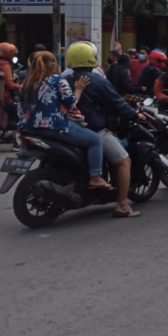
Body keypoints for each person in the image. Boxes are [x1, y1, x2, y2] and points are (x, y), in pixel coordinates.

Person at [65, 42, 143, 217]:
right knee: (124, 161)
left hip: (68, 128)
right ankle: (122, 204)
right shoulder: (97, 80)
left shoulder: (65, 78)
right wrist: (136, 115)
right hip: (93, 128)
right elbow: (117, 103)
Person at [19, 51, 110, 192]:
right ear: (53, 64)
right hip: (54, 127)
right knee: (95, 140)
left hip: (29, 128)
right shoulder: (57, 80)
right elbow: (71, 102)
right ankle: (95, 177)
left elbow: (20, 107)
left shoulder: (26, 83)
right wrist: (79, 89)